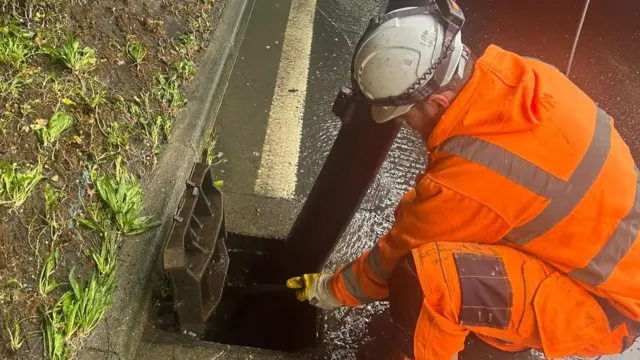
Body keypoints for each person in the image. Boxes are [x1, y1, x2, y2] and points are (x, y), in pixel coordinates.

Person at [286, 3, 640, 359]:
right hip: (614, 263)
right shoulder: (521, 77)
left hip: (607, 308)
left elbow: (395, 256)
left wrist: (330, 290)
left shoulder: (469, 177)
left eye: (406, 116)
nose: (406, 125)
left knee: (429, 278)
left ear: (439, 101)